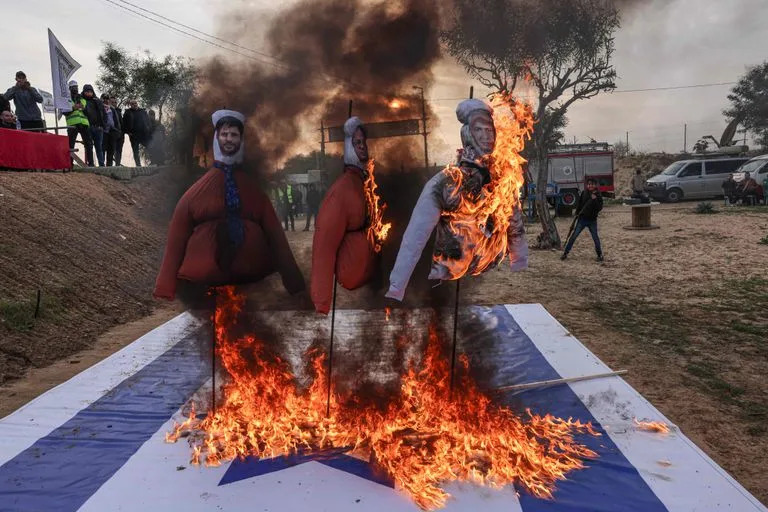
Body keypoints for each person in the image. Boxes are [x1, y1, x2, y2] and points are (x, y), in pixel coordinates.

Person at [154, 110, 305, 301]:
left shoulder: (253, 191)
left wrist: (294, 282)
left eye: (234, 135)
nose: (229, 139)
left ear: (240, 140)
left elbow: (276, 237)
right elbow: (177, 237)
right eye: (224, 134)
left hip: (250, 279)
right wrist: (165, 285)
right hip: (207, 281)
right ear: (217, 138)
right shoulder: (197, 192)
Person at [386, 99, 528, 301]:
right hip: (449, 268)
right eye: (479, 130)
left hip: (487, 263)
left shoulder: (502, 178)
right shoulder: (445, 183)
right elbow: (415, 236)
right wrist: (397, 286)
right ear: (468, 134)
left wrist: (519, 258)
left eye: (490, 130)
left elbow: (514, 220)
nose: (487, 136)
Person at [311, 116, 386, 314]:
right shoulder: (342, 190)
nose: (362, 147)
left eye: (363, 142)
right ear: (348, 147)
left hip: (370, 280)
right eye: (356, 143)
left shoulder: (366, 183)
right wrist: (322, 302)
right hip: (351, 281)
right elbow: (323, 248)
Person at [561, 178, 604, 262]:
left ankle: (600, 255)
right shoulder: (584, 193)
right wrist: (577, 213)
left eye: (592, 184)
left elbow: (599, 208)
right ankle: (565, 253)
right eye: (589, 184)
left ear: (595, 185)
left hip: (592, 220)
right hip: (582, 219)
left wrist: (594, 199)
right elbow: (579, 205)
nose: (590, 186)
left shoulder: (598, 195)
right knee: (573, 236)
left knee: (595, 238)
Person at [63, 80, 93, 166]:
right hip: (72, 124)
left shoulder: (82, 99)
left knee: (89, 144)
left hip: (84, 123)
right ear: (69, 88)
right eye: (73, 87)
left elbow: (88, 113)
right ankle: (70, 164)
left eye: (76, 87)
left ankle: (91, 164)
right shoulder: (66, 100)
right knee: (70, 145)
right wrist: (73, 108)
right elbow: (64, 112)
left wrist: (83, 108)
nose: (75, 89)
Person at [81, 85, 105, 167]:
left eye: (90, 91)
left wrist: (102, 125)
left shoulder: (97, 101)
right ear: (84, 92)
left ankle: (102, 165)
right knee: (89, 146)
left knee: (99, 147)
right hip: (87, 127)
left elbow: (103, 113)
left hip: (98, 127)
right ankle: (90, 164)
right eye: (87, 91)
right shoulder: (81, 100)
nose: (89, 93)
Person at [122, 99, 151, 166]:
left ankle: (153, 161)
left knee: (150, 147)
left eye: (135, 103)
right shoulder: (128, 112)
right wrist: (128, 132)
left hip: (143, 134)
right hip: (133, 135)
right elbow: (124, 123)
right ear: (130, 105)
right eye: (132, 104)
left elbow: (148, 121)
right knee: (135, 151)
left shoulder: (142, 111)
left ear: (137, 104)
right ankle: (138, 165)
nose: (134, 105)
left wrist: (148, 128)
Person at [101, 94, 122, 167]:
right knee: (102, 149)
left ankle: (109, 166)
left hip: (112, 131)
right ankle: (102, 165)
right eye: (104, 98)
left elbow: (116, 120)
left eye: (107, 99)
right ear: (101, 99)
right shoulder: (99, 107)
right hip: (103, 131)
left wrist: (117, 130)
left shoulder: (112, 109)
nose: (106, 100)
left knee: (111, 150)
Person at [110, 97, 124, 166]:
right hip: (112, 133)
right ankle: (110, 165)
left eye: (115, 102)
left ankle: (117, 164)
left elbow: (121, 122)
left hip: (120, 134)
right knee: (112, 150)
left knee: (119, 150)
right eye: (112, 102)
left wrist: (123, 131)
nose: (114, 103)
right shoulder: (108, 110)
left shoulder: (119, 111)